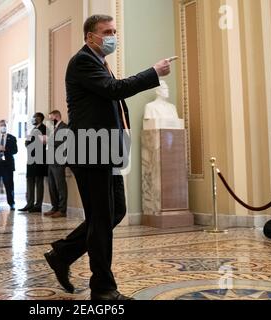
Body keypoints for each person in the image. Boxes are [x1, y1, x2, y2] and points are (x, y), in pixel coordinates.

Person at [43, 14, 172, 300]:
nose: (113, 36)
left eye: (114, 30)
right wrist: (152, 72)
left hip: (106, 150)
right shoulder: (82, 61)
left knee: (115, 211)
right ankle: (102, 288)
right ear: (90, 36)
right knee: (101, 218)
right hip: (90, 150)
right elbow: (115, 90)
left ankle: (63, 253)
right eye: (107, 31)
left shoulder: (99, 62)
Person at [19, 113, 48, 213]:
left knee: (39, 182)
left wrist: (32, 143)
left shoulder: (44, 129)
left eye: (35, 117)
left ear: (40, 118)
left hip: (39, 159)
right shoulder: (32, 129)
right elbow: (27, 142)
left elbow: (42, 142)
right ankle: (29, 203)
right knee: (29, 181)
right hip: (30, 158)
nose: (33, 119)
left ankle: (38, 205)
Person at [44, 110, 68, 218]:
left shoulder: (64, 127)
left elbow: (61, 141)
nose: (50, 120)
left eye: (51, 118)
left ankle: (62, 210)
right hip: (51, 160)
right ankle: (55, 207)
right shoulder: (53, 129)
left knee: (60, 185)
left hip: (59, 160)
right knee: (52, 185)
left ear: (57, 116)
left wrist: (48, 140)